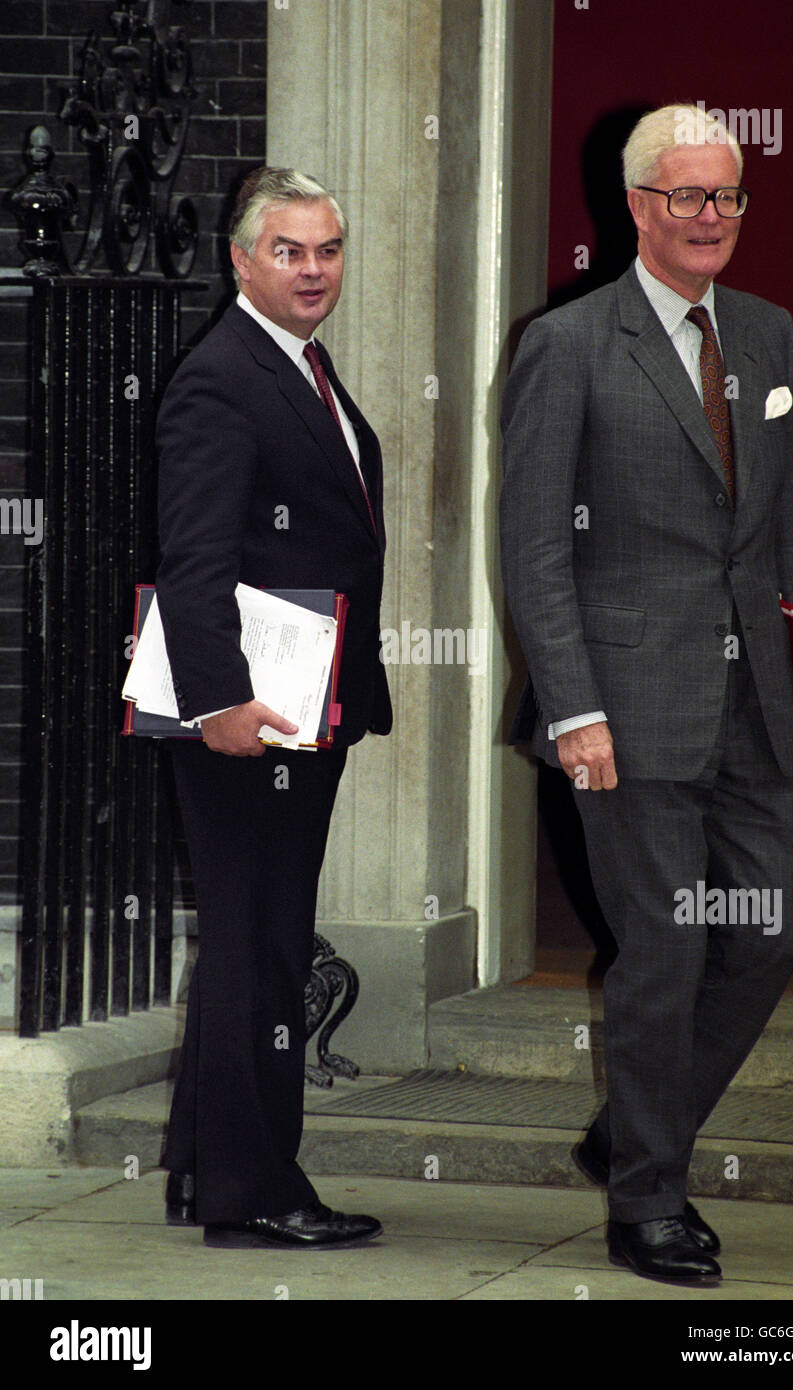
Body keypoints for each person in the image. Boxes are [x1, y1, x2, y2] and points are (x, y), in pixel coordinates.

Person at [499, 104, 793, 1284]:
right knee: (664, 949)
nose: (708, 217)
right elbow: (535, 548)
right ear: (635, 206)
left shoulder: (769, 336)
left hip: (752, 706)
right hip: (625, 713)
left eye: (726, 196)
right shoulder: (568, 345)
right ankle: (647, 1200)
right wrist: (573, 708)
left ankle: (632, 1129)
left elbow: (790, 535)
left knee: (772, 930)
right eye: (685, 196)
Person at [155, 167, 391, 1249]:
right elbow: (192, 559)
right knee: (263, 949)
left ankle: (212, 1170)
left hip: (301, 701)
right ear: (241, 260)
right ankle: (255, 1193)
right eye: (289, 250)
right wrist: (219, 703)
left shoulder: (297, 364)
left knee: (256, 943)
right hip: (250, 717)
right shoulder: (222, 375)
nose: (311, 270)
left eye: (327, 249)